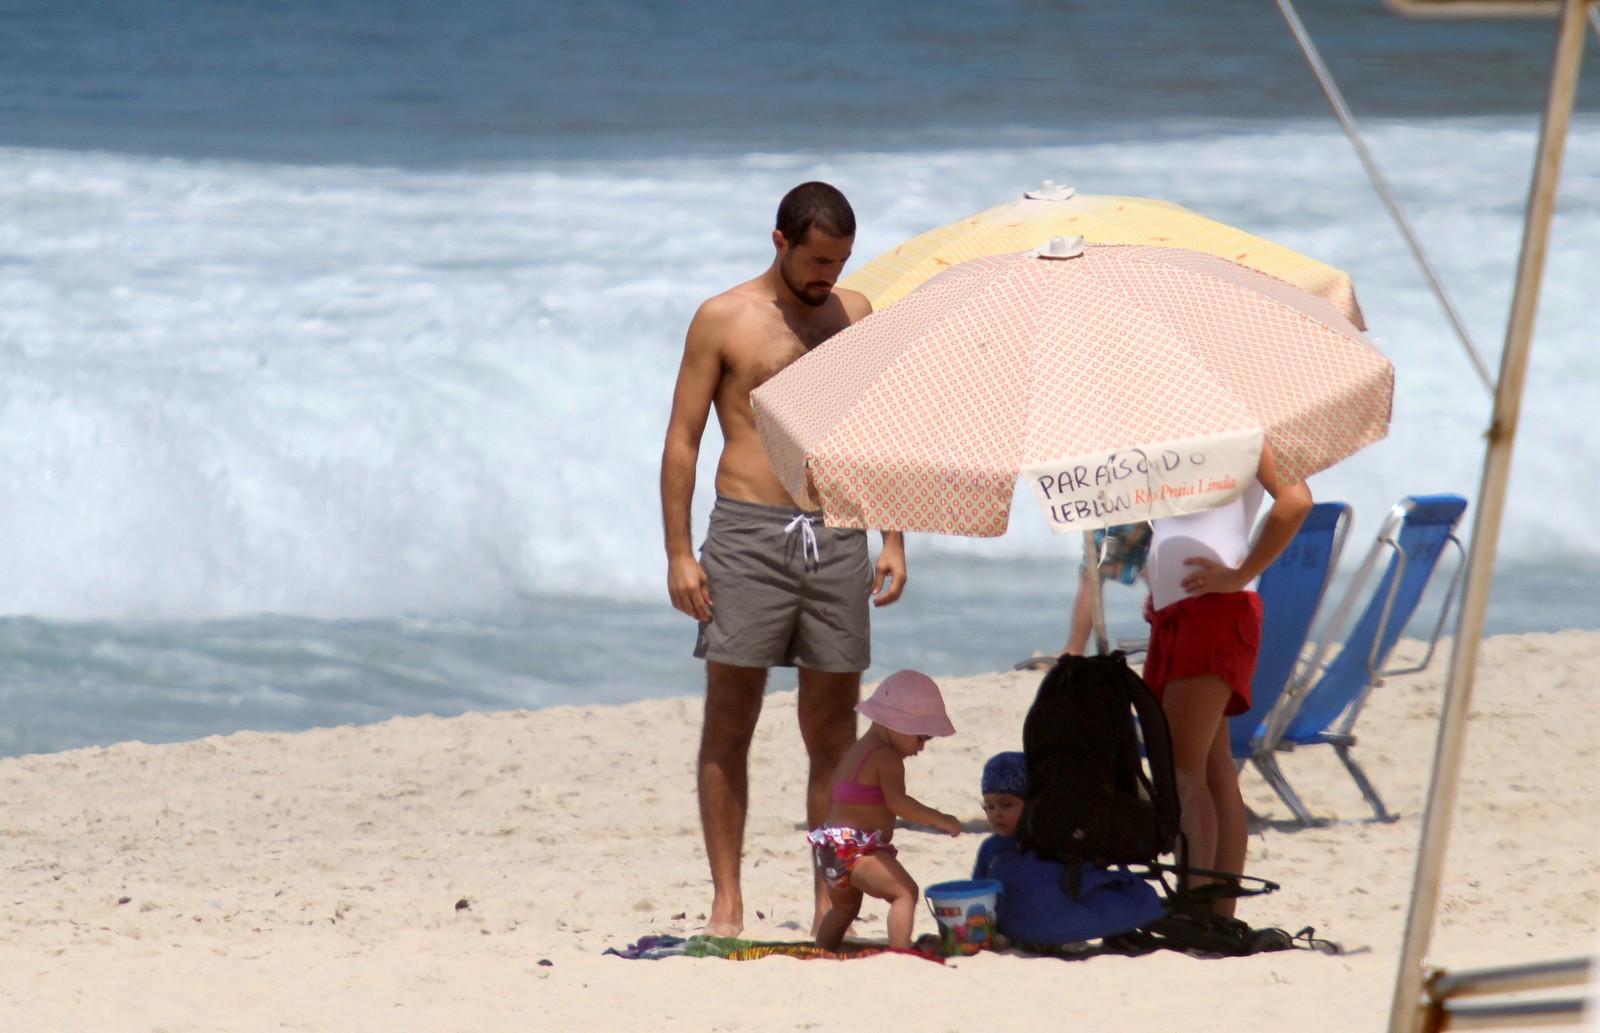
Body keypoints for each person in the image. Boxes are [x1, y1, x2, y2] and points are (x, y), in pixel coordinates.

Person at [659, 181, 908, 938]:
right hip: (746, 536)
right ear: (780, 242)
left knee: (833, 732)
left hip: (837, 534)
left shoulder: (856, 316)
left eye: (840, 262)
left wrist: (893, 536)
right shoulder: (724, 318)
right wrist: (678, 552)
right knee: (730, 718)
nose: (827, 276)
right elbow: (683, 440)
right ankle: (728, 899)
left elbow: (878, 431)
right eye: (816, 260)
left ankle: (827, 899)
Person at [1141, 439, 1311, 916]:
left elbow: (1296, 501)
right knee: (1210, 769)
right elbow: (1183, 520)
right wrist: (1159, 579)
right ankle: (1216, 912)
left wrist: (1239, 574)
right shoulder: (1179, 429)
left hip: (1214, 612)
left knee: (1182, 769)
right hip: (1182, 614)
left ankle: (1195, 908)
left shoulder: (1245, 429)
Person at [809, 670, 961, 951]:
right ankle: (900, 954)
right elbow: (898, 803)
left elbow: (832, 790)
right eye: (921, 737)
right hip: (855, 849)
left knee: (843, 911)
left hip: (829, 847)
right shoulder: (887, 757)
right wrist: (940, 819)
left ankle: (822, 952)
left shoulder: (855, 752)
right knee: (905, 892)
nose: (922, 747)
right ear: (897, 725)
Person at [971, 751, 1164, 951]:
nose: (996, 814)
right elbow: (976, 891)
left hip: (1053, 920)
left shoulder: (1049, 839)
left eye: (1006, 805)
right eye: (989, 807)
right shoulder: (990, 848)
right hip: (1009, 925)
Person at [1015, 522, 1150, 670]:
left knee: (1093, 570)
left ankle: (1074, 650)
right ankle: (1166, 639)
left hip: (1123, 502)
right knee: (1159, 555)